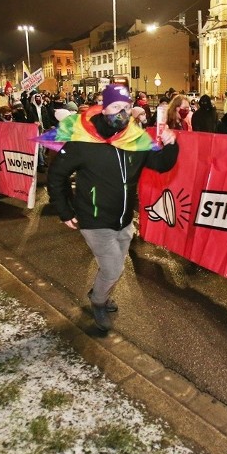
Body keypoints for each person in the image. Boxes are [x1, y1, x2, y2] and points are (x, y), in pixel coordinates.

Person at [47, 83, 179, 332]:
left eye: (127, 107)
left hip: (124, 219)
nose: (123, 112)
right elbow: (56, 176)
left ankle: (100, 291)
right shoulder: (82, 140)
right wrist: (64, 211)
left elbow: (161, 164)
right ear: (103, 108)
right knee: (113, 267)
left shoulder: (134, 138)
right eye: (116, 107)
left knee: (111, 267)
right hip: (94, 219)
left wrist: (171, 144)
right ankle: (97, 302)